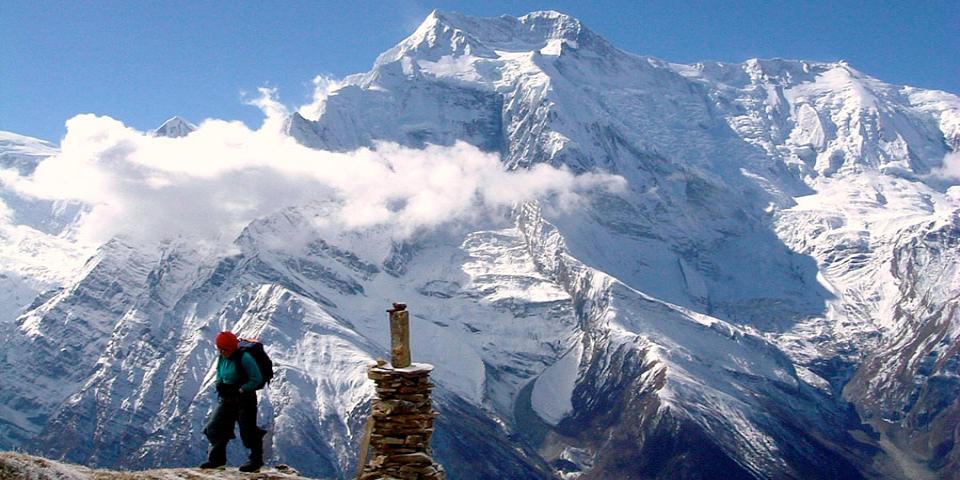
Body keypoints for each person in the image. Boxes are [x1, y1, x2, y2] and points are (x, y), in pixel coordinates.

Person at [200, 331, 267, 472]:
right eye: (221, 350)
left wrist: (241, 389)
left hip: (245, 400)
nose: (222, 352)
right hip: (227, 398)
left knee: (248, 432)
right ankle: (216, 460)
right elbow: (219, 371)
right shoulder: (222, 357)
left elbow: (256, 379)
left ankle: (256, 461)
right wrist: (220, 383)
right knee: (214, 427)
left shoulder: (245, 358)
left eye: (224, 350)